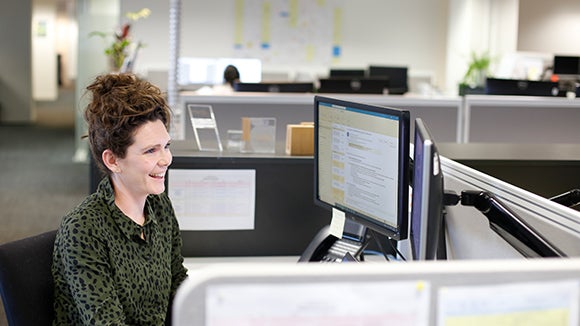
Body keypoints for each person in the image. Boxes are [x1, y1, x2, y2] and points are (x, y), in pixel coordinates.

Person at [52, 73, 188, 325]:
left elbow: (178, 282)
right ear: (113, 160)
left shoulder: (158, 205)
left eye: (166, 146)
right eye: (151, 150)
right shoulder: (84, 229)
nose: (166, 159)